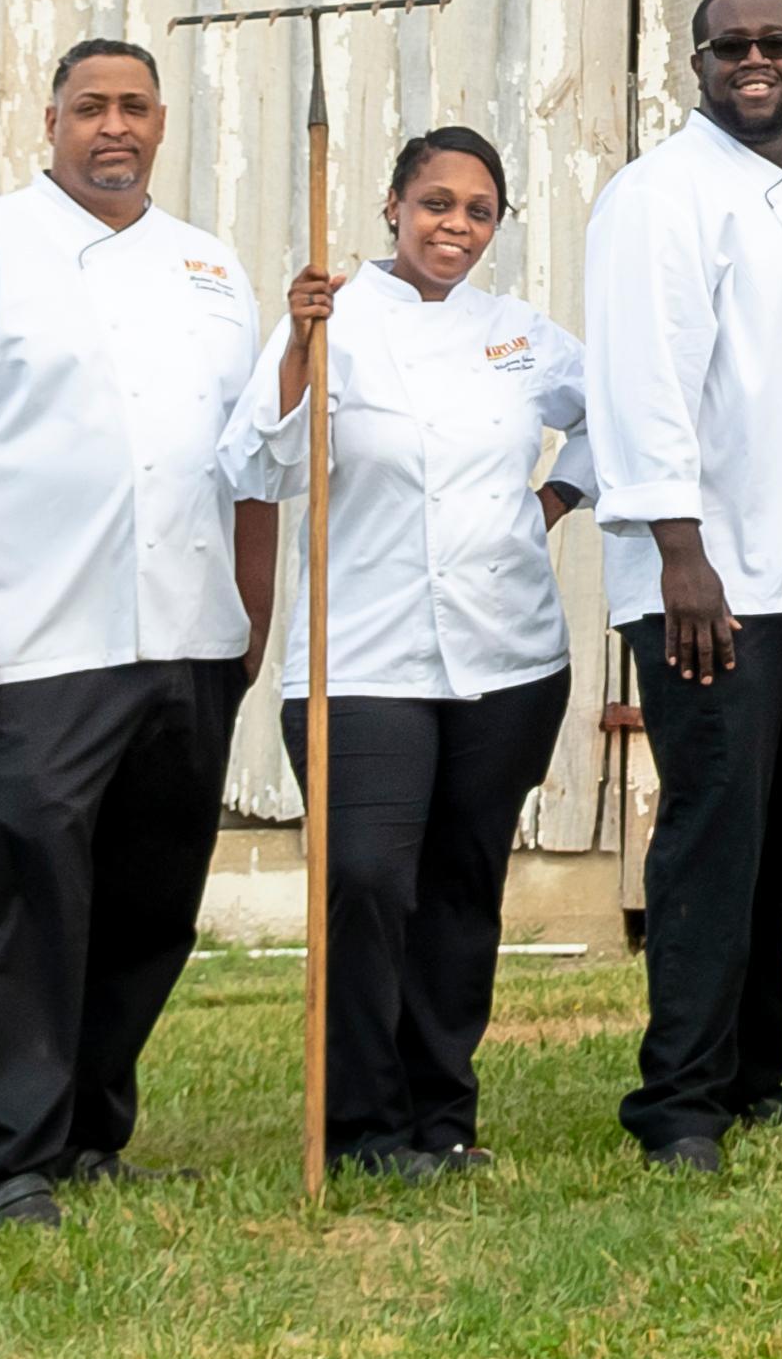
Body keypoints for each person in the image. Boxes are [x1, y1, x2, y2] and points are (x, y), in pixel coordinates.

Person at [0, 37, 276, 1226]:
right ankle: (5, 1163)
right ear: (47, 119)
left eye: (135, 108)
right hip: (30, 643)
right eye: (90, 106)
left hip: (186, 638)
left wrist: (250, 615)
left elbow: (252, 454)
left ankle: (94, 1132)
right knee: (26, 896)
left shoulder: (209, 268)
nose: (115, 126)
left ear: (162, 123)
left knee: (151, 903)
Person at [236, 125, 590, 1180]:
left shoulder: (523, 336)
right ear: (393, 205)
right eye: (437, 202)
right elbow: (261, 461)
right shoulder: (333, 316)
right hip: (364, 661)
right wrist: (301, 348)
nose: (457, 225)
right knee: (365, 882)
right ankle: (361, 1123)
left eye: (479, 210)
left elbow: (623, 421)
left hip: (506, 658)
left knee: (460, 886)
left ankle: (442, 1115)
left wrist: (556, 497)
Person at [583, 0, 782, 1172]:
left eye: (773, 43)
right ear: (694, 61)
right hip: (711, 583)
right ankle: (682, 1102)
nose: (751, 61)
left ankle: (754, 1070)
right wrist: (678, 555)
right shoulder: (657, 197)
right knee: (712, 831)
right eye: (728, 46)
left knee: (781, 829)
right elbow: (641, 378)